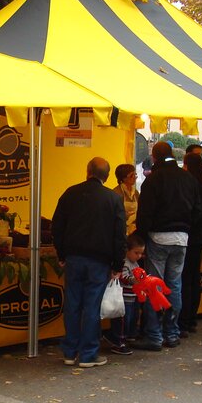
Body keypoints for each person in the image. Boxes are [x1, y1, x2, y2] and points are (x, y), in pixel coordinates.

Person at [52, 157, 126, 368]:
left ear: (87, 171)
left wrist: (62, 254)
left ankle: (69, 351)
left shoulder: (70, 193)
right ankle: (88, 354)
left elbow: (57, 226)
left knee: (73, 305)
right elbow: (119, 235)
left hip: (74, 258)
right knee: (92, 306)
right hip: (99, 260)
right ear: (107, 176)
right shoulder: (113, 199)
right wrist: (117, 265)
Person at [135, 141, 201, 347]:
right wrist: (186, 227)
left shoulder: (153, 180)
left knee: (154, 286)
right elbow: (198, 210)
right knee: (175, 285)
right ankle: (172, 332)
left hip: (158, 237)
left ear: (154, 157)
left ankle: (154, 335)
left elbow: (144, 213)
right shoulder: (188, 179)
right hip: (181, 238)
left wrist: (142, 236)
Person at [179, 152, 202, 335]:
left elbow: (195, 212)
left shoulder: (191, 186)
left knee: (186, 278)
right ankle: (192, 317)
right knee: (194, 278)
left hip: (190, 236)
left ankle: (184, 319)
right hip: (201, 237)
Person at [102, 233, 144, 355]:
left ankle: (125, 336)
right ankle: (117, 340)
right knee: (123, 320)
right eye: (136, 253)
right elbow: (123, 277)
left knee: (132, 318)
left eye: (141, 253)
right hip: (123, 297)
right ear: (127, 250)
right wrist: (133, 280)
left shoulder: (135, 263)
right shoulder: (125, 263)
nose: (139, 256)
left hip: (133, 296)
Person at [112, 164, 139, 234]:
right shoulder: (116, 192)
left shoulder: (136, 192)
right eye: (131, 175)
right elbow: (113, 214)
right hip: (121, 229)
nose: (135, 177)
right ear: (123, 178)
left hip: (134, 229)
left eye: (135, 174)